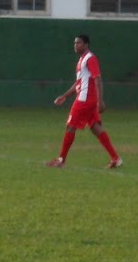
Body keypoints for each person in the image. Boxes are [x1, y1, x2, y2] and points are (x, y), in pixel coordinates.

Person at [47, 32, 122, 169]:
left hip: (85, 99)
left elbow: (98, 79)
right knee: (95, 128)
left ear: (86, 44)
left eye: (79, 43)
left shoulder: (90, 58)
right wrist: (65, 96)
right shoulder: (82, 60)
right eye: (75, 43)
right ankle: (116, 159)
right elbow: (79, 83)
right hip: (87, 98)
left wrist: (100, 101)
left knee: (70, 126)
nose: (75, 45)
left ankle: (61, 160)